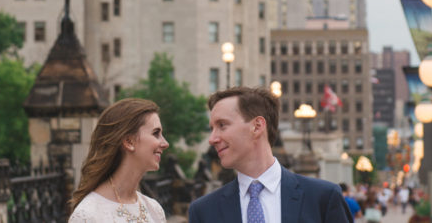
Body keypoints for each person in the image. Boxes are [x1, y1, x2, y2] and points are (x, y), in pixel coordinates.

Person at [188, 87, 353, 223]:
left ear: (257, 126)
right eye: (212, 129)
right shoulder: (203, 211)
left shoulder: (323, 198)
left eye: (222, 125)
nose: (212, 139)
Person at [69, 98, 169, 222]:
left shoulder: (154, 210)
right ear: (128, 141)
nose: (165, 143)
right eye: (156, 133)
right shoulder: (88, 214)